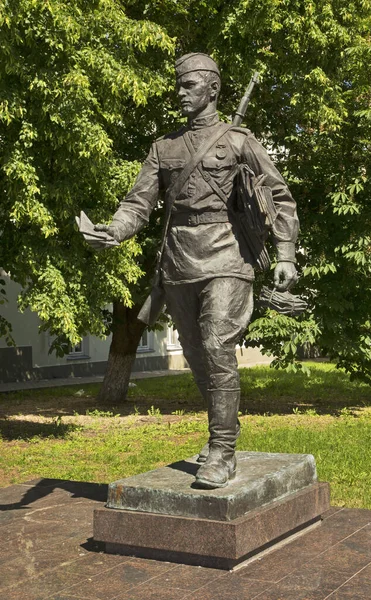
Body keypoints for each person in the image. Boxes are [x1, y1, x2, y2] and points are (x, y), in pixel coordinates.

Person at [86, 53, 299, 489]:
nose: (180, 93)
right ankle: (223, 434)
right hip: (179, 261)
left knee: (216, 343)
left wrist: (286, 252)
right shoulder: (163, 147)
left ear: (213, 89)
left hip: (228, 255)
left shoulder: (239, 141)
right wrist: (114, 231)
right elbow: (137, 203)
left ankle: (223, 449)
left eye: (189, 85)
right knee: (199, 357)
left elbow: (280, 196)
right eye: (179, 85)